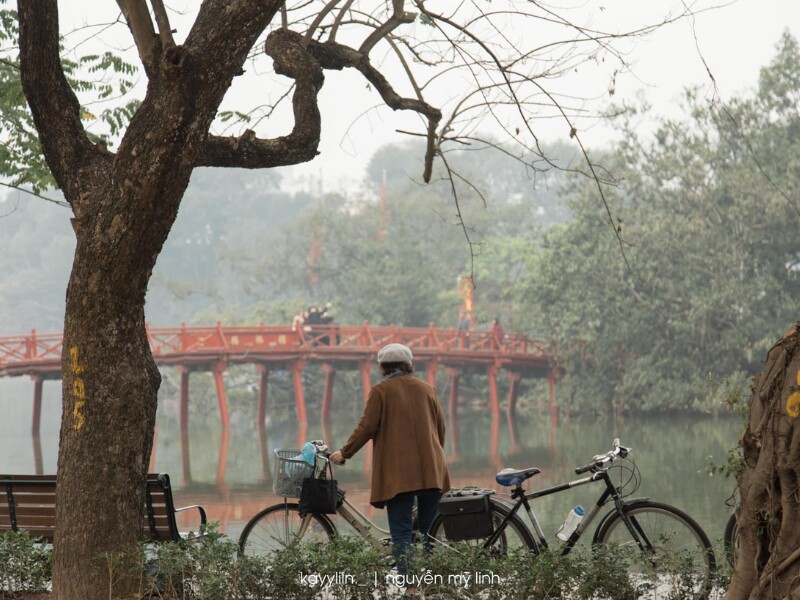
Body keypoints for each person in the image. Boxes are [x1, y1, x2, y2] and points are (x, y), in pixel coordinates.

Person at [331, 343, 450, 596]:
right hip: (433, 471)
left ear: (383, 367)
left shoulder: (381, 391)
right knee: (430, 531)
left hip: (400, 475)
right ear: (410, 365)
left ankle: (410, 588)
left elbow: (366, 427)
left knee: (402, 531)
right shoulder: (427, 389)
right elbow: (441, 428)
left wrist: (345, 453)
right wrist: (434, 457)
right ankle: (431, 582)